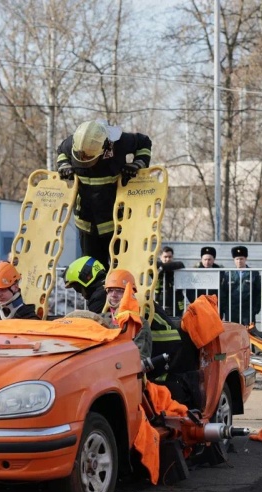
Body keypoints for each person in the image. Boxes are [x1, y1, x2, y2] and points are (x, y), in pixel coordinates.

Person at [56, 119, 152, 268]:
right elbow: (61, 151)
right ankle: (95, 292)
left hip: (116, 222)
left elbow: (144, 143)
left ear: (106, 146)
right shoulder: (74, 142)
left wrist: (138, 164)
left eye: (89, 158)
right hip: (86, 223)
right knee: (92, 270)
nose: (84, 161)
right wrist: (64, 165)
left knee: (120, 268)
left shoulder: (121, 143)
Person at [100, 269, 152, 360]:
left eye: (119, 291)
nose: (113, 295)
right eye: (110, 290)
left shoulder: (139, 324)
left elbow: (141, 359)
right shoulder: (100, 318)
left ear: (130, 293)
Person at [219, 245, 261, 327]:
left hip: (247, 311)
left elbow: (258, 292)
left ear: (246, 259)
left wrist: (255, 309)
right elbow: (223, 293)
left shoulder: (253, 273)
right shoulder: (229, 274)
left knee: (248, 335)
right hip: (232, 311)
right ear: (234, 260)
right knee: (232, 334)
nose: (239, 261)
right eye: (237, 259)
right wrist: (225, 309)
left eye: (241, 259)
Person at [156, 246, 186, 317]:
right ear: (160, 257)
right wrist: (162, 267)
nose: (168, 259)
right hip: (160, 304)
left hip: (176, 305)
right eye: (165, 257)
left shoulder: (177, 266)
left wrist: (162, 267)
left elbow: (181, 264)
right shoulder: (155, 267)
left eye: (170, 257)